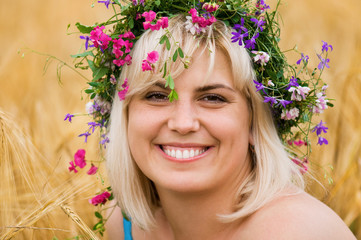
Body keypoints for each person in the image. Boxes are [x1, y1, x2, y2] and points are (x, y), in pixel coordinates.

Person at [101, 13, 356, 239]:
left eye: (213, 98)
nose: (183, 123)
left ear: (255, 123)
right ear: (125, 116)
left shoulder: (295, 232)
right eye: (156, 96)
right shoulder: (124, 224)